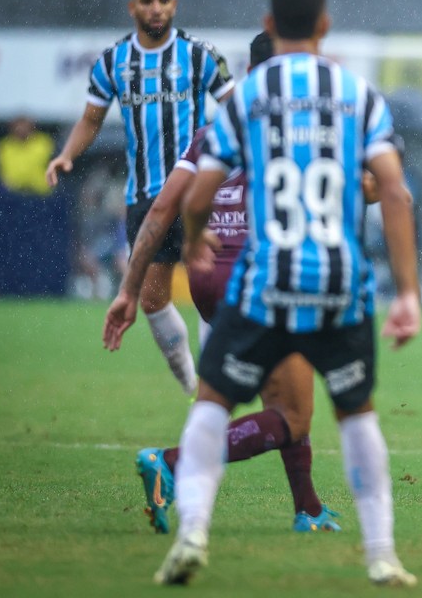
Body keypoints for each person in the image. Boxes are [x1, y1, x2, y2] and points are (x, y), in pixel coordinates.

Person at [153, 0, 420, 587]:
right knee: (357, 417)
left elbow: (198, 190)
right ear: (325, 25)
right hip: (338, 285)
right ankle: (381, 553)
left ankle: (193, 531)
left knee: (211, 406)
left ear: (270, 25)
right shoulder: (357, 95)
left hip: (263, 283)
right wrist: (407, 293)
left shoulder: (244, 99)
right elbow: (395, 192)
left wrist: (193, 238)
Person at [102, 32, 340, 536]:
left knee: (285, 397)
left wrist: (128, 289)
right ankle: (171, 460)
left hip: (209, 281)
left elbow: (161, 209)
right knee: (294, 415)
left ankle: (309, 509)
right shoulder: (296, 131)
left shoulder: (211, 131)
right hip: (261, 277)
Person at [46, 0, 235, 395]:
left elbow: (237, 109)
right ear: (133, 7)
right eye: (147, 1)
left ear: (174, 5)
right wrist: (67, 154)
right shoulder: (113, 61)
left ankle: (212, 392)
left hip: (197, 193)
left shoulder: (200, 55)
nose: (156, 8)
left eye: (163, 0)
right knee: (151, 300)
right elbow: (91, 120)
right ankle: (190, 383)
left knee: (209, 290)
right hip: (145, 197)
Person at [0, 116, 55, 196]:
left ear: (32, 127)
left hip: (41, 193)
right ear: (11, 128)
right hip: (12, 193)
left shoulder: (44, 143)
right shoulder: (4, 146)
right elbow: (6, 171)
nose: (22, 130)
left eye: (25, 126)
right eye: (18, 127)